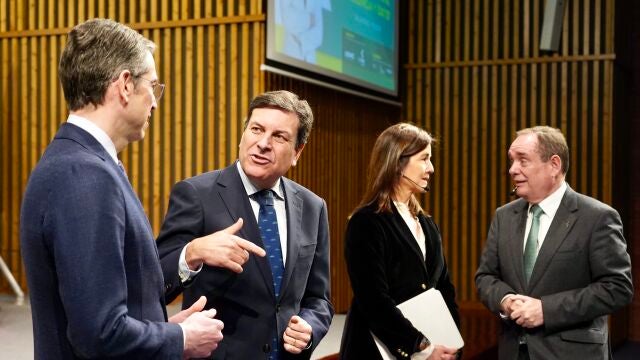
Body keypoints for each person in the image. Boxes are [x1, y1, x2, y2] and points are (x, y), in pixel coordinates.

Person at [20, 18, 224, 359]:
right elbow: (99, 333)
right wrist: (180, 340)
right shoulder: (84, 175)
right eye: (153, 87)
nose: (155, 104)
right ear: (125, 85)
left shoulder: (79, 161)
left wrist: (167, 328)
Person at [157, 90, 334, 359]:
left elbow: (319, 299)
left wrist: (310, 328)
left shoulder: (313, 207)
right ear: (243, 134)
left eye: (279, 136)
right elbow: (156, 280)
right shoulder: (196, 194)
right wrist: (191, 253)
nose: (263, 143)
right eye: (256, 129)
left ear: (298, 151)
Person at [475, 126, 633, 360]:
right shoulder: (504, 216)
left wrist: (545, 310)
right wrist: (506, 300)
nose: (512, 169)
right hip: (514, 352)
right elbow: (485, 277)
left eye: (523, 161)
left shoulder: (597, 217)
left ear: (554, 165)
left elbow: (617, 288)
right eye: (511, 161)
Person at [339, 123, 460, 360]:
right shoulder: (366, 222)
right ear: (397, 163)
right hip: (376, 351)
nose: (431, 168)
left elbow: (444, 290)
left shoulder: (427, 224)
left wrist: (453, 345)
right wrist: (421, 347)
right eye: (424, 159)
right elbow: (373, 301)